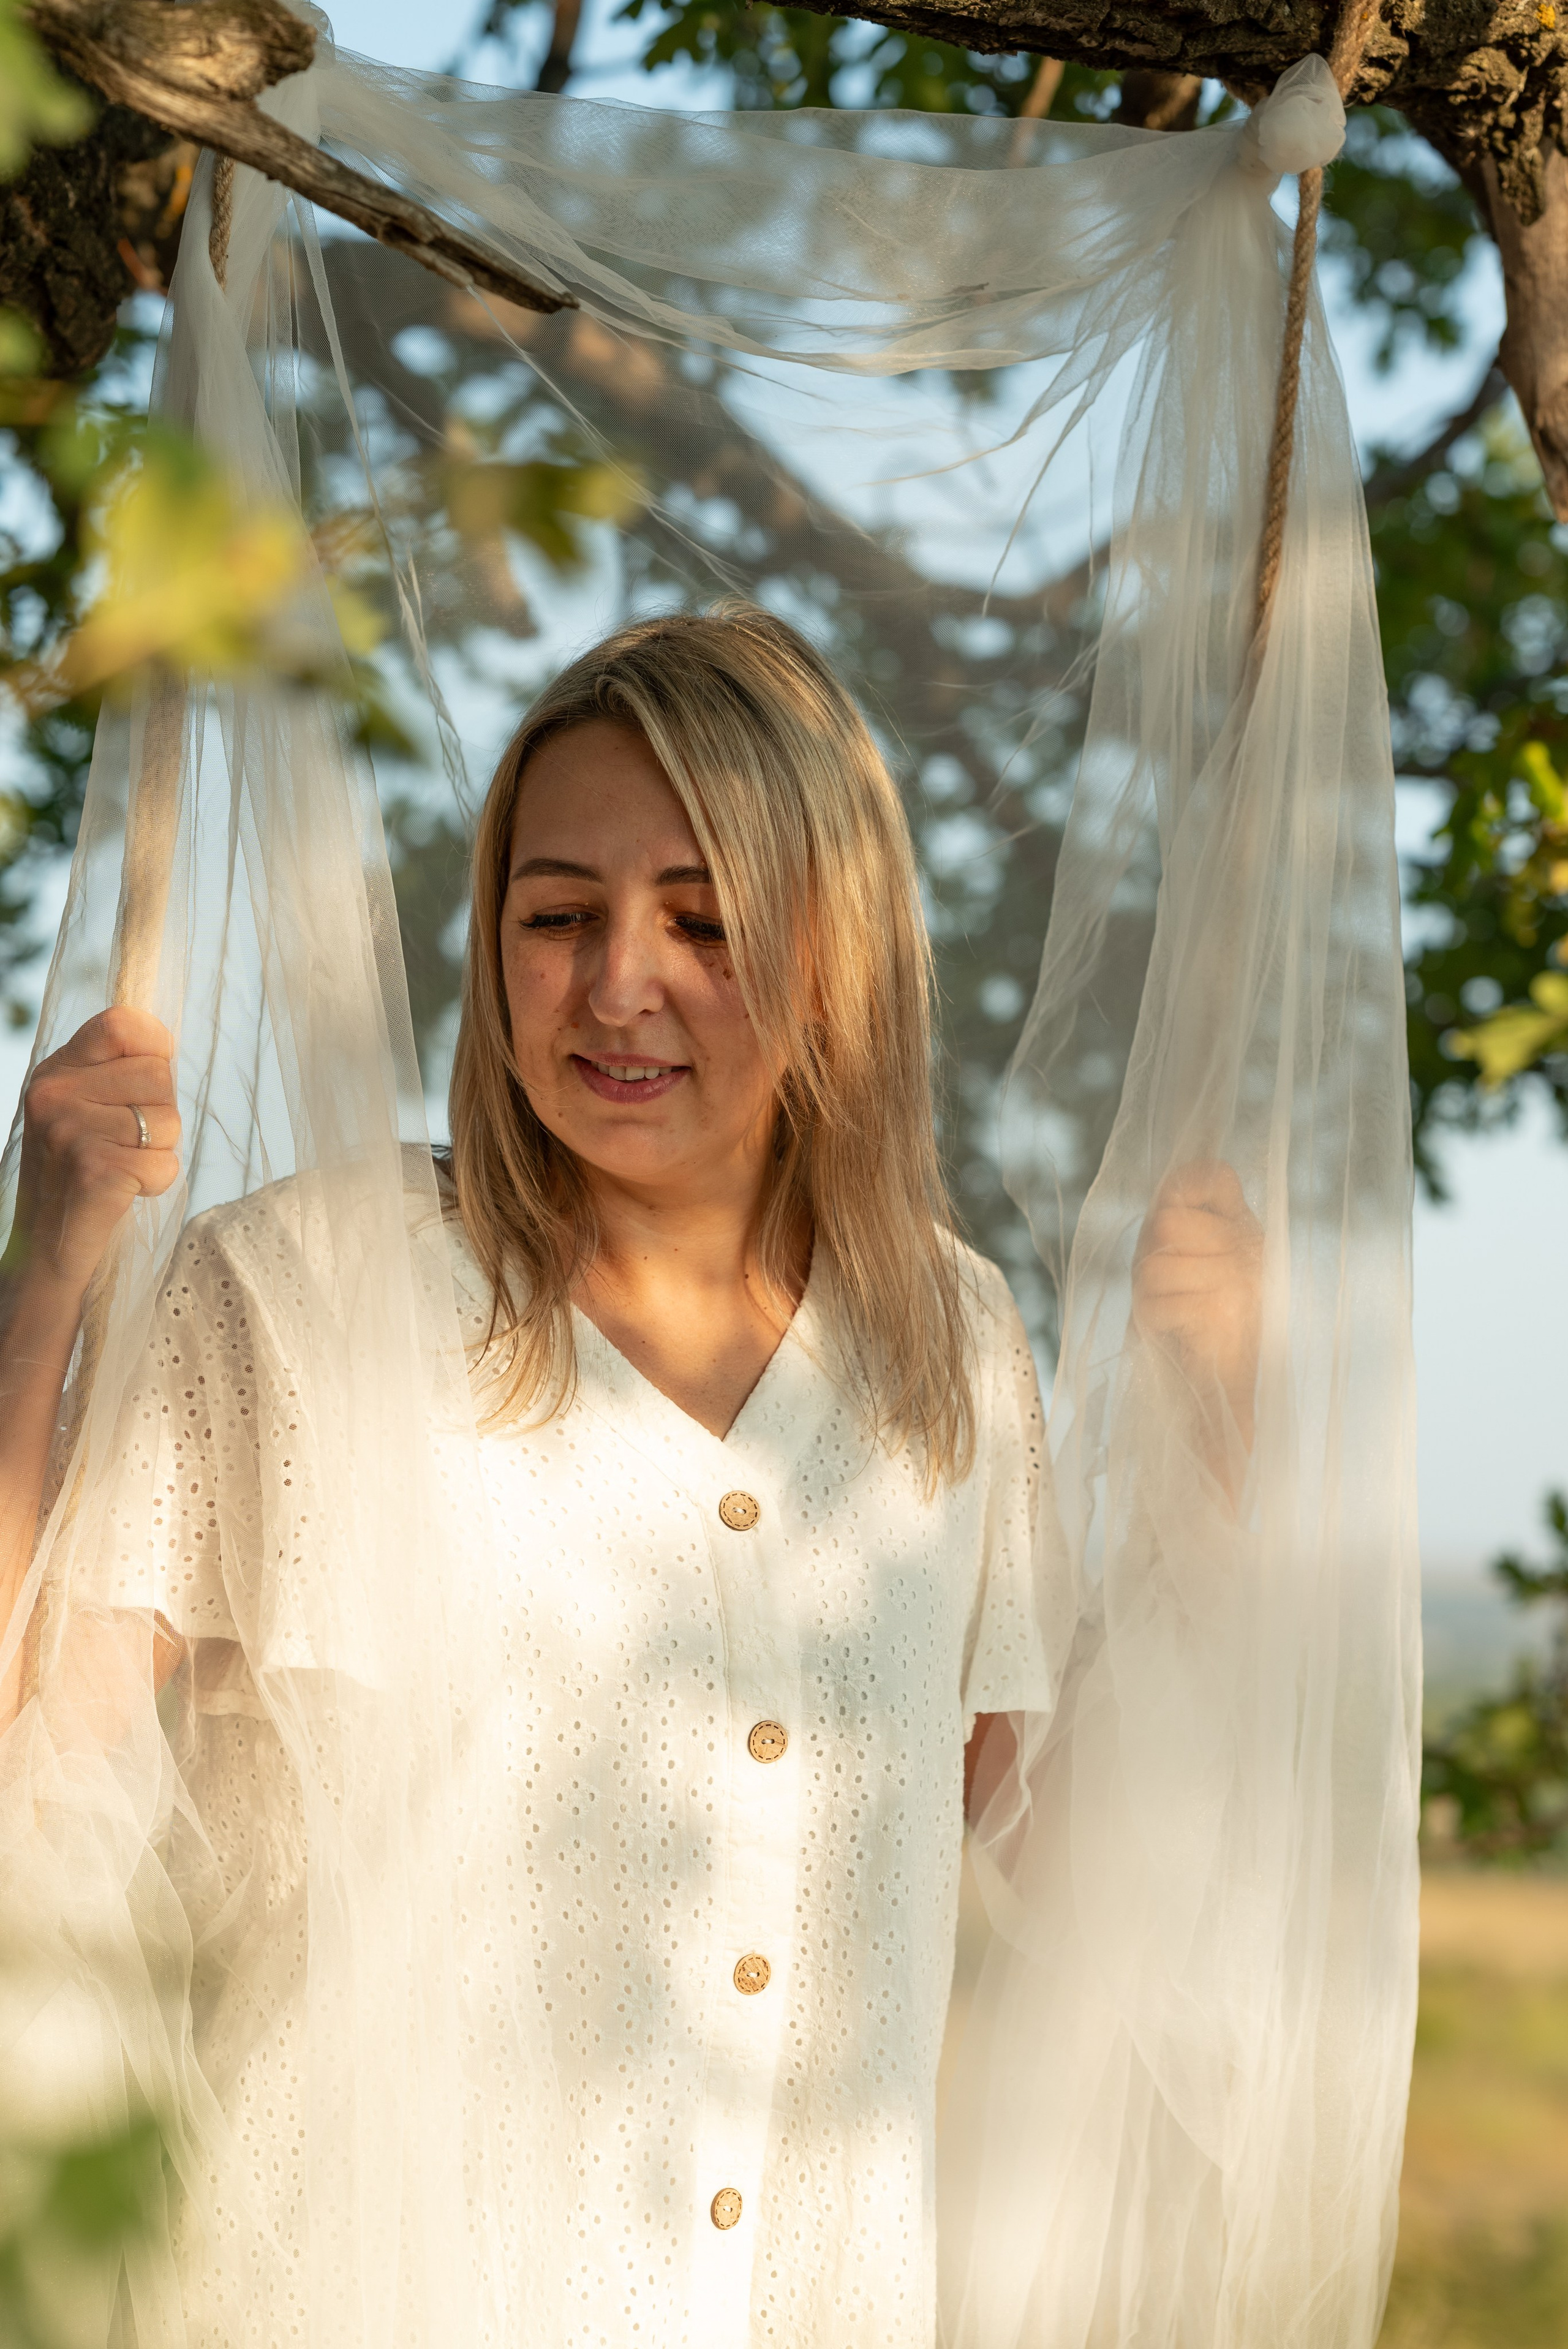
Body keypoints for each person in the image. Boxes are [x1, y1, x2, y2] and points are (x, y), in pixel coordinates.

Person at [0, 605, 1261, 2345]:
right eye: (559, 914)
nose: (617, 984)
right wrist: (45, 1275)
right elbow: (33, 1746)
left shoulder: (950, 1348)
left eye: (705, 916)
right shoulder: (298, 1290)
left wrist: (1216, 1438)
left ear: (843, 950)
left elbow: (1072, 1850)